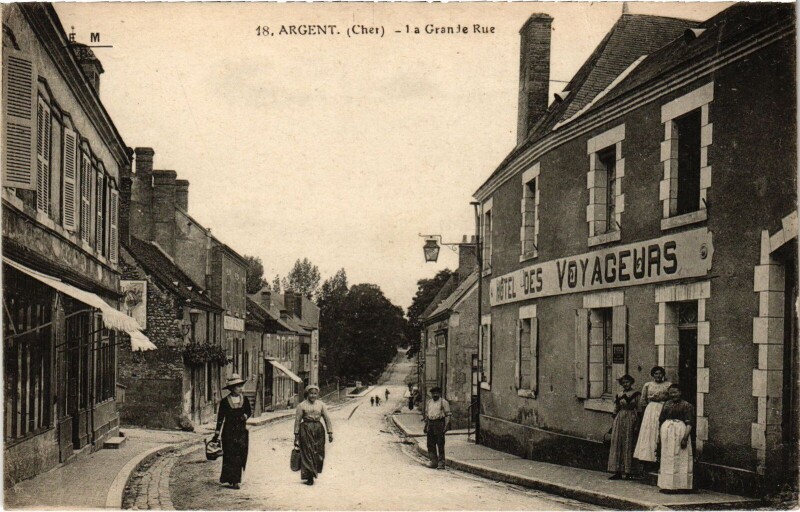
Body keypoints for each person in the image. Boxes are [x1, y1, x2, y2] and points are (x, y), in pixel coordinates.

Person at [213, 374, 251, 489]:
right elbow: (220, 418)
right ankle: (230, 479)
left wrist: (246, 415)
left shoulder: (245, 399)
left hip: (241, 432)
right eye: (238, 386)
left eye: (241, 386)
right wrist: (216, 433)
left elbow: (249, 411)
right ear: (232, 388)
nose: (240, 388)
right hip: (228, 432)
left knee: (240, 455)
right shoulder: (225, 401)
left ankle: (236, 480)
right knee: (230, 455)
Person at [658, 384, 694, 492]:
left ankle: (682, 486)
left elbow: (690, 423)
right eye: (671, 393)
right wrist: (660, 435)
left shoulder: (687, 405)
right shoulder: (666, 404)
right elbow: (661, 420)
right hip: (667, 432)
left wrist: (685, 438)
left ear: (680, 392)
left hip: (680, 432)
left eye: (675, 392)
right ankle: (667, 486)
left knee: (681, 458)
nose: (673, 395)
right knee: (667, 457)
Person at [294, 384, 333, 486]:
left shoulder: (321, 405)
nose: (313, 396)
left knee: (318, 452)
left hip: (319, 430)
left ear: (317, 395)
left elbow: (327, 418)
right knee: (307, 452)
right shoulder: (301, 405)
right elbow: (297, 421)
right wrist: (296, 435)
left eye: (315, 394)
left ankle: (314, 471)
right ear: (307, 394)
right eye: (311, 393)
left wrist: (330, 432)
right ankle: (310, 476)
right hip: (305, 430)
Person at [633, 366, 672, 464]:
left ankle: (661, 456)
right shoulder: (648, 385)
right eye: (656, 374)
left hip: (663, 407)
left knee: (661, 429)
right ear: (653, 375)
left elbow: (671, 398)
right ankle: (648, 456)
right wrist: (645, 412)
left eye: (660, 373)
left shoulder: (668, 385)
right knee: (650, 431)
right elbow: (643, 400)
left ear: (663, 375)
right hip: (651, 409)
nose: (658, 375)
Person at [607, 375, 640, 480]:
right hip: (620, 419)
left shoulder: (636, 394)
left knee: (628, 443)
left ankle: (628, 471)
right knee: (618, 443)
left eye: (627, 382)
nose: (626, 384)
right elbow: (616, 408)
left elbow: (639, 409)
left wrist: (637, 424)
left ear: (631, 382)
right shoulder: (619, 394)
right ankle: (617, 471)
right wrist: (613, 422)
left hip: (631, 419)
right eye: (624, 382)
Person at [424, 386, 451, 469]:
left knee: (440, 443)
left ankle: (441, 463)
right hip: (430, 423)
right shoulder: (429, 402)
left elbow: (448, 415)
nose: (435, 395)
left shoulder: (444, 402)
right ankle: (433, 461)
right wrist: (426, 426)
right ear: (431, 394)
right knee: (430, 444)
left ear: (439, 393)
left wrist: (446, 426)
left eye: (436, 393)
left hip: (439, 423)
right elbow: (427, 415)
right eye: (433, 393)